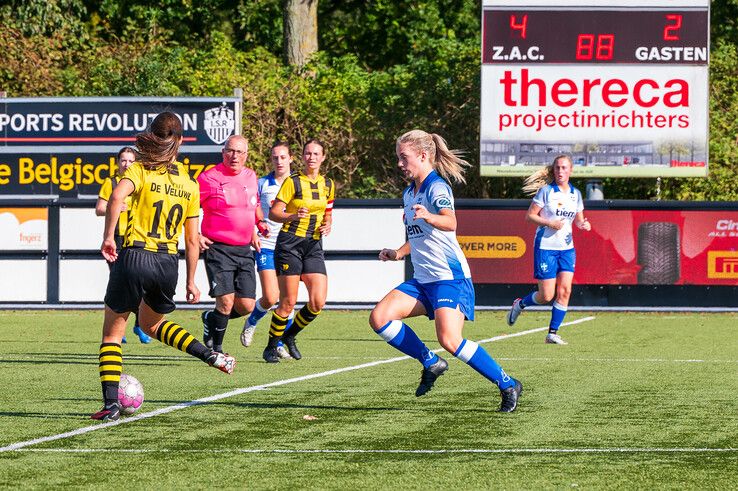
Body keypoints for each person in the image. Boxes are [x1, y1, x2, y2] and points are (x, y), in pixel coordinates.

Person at [91, 112, 235, 422]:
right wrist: (191, 281)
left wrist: (108, 237)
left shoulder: (142, 170)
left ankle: (111, 405)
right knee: (152, 324)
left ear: (152, 137)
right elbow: (193, 239)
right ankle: (210, 355)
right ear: (180, 142)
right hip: (167, 263)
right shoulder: (188, 182)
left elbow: (116, 196)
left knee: (112, 335)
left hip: (135, 256)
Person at [369, 130, 522, 413]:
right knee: (379, 318)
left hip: (449, 279)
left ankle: (508, 383)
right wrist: (398, 253)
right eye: (398, 158)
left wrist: (429, 215)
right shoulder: (409, 192)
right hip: (423, 280)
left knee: (450, 339)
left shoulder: (436, 188)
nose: (400, 164)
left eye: (404, 158)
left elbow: (450, 222)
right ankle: (430, 362)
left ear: (424, 156)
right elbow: (418, 236)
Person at [261, 138, 335, 363]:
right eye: (308, 153)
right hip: (290, 244)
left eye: (316, 154)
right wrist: (293, 215)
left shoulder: (329, 184)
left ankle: (290, 336)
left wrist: (328, 223)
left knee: (317, 302)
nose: (311, 157)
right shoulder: (293, 182)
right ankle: (271, 347)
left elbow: (328, 211)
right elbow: (274, 213)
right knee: (288, 302)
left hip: (313, 245)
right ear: (302, 157)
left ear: (323, 157)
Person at [506, 154, 592, 345]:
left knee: (566, 290)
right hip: (546, 247)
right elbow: (530, 216)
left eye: (564, 168)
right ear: (554, 170)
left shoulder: (575, 194)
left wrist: (584, 225)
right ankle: (519, 304)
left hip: (567, 249)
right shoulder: (546, 192)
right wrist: (549, 222)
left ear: (571, 170)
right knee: (546, 295)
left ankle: (552, 333)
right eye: (558, 168)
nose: (561, 171)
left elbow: (578, 220)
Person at [198, 135, 266, 354]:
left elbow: (253, 204)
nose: (234, 156)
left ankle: (211, 318)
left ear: (246, 155)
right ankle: (217, 351)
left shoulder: (251, 176)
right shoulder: (208, 178)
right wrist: (196, 235)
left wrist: (258, 224)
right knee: (226, 302)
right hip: (218, 248)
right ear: (223, 152)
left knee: (246, 305)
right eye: (230, 151)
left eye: (240, 152)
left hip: (244, 248)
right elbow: (186, 208)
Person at [240, 141, 294, 360]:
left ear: (291, 158)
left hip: (291, 247)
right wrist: (254, 230)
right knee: (271, 296)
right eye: (275, 157)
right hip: (268, 245)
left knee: (288, 300)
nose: (279, 161)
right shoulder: (262, 183)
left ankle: (278, 342)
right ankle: (252, 321)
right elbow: (252, 210)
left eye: (283, 157)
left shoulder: (298, 184)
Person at [95, 147, 151, 344]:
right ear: (117, 162)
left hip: (136, 238)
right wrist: (116, 205)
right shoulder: (110, 182)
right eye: (123, 160)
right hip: (117, 239)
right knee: (120, 284)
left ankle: (139, 324)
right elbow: (100, 209)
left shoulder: (141, 181)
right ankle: (118, 328)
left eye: (130, 161)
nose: (126, 164)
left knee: (139, 284)